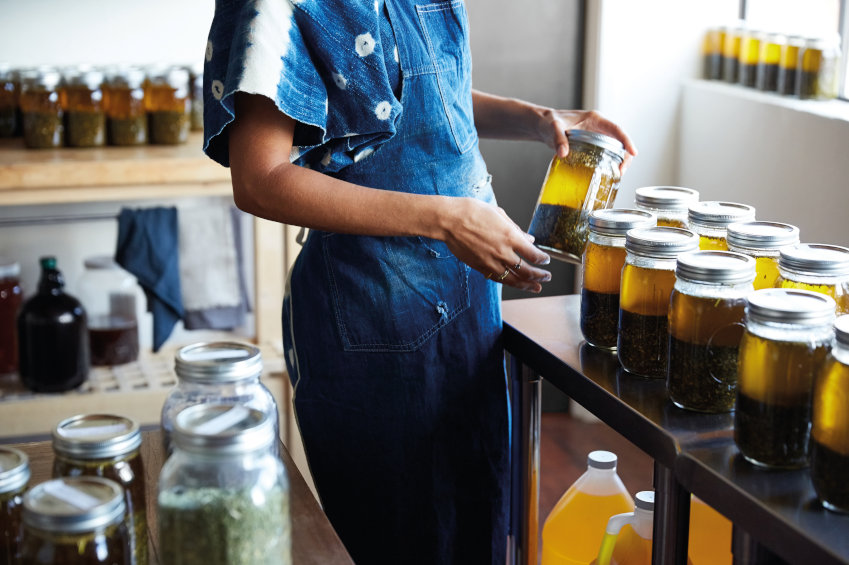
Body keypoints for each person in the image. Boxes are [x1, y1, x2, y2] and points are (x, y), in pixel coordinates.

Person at [202, 1, 636, 564]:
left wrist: (538, 118)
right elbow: (259, 180)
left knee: (474, 524)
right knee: (404, 540)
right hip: (373, 318)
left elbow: (420, 101)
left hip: (466, 301)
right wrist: (448, 219)